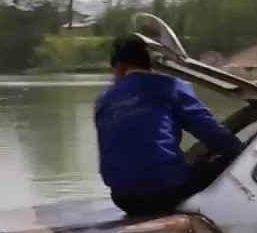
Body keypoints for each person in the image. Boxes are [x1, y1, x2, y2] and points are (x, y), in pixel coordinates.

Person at [95, 35, 244, 215]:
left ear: (118, 67)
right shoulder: (170, 87)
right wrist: (243, 151)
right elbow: (213, 133)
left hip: (122, 199)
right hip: (166, 192)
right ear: (150, 64)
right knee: (229, 159)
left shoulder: (103, 100)